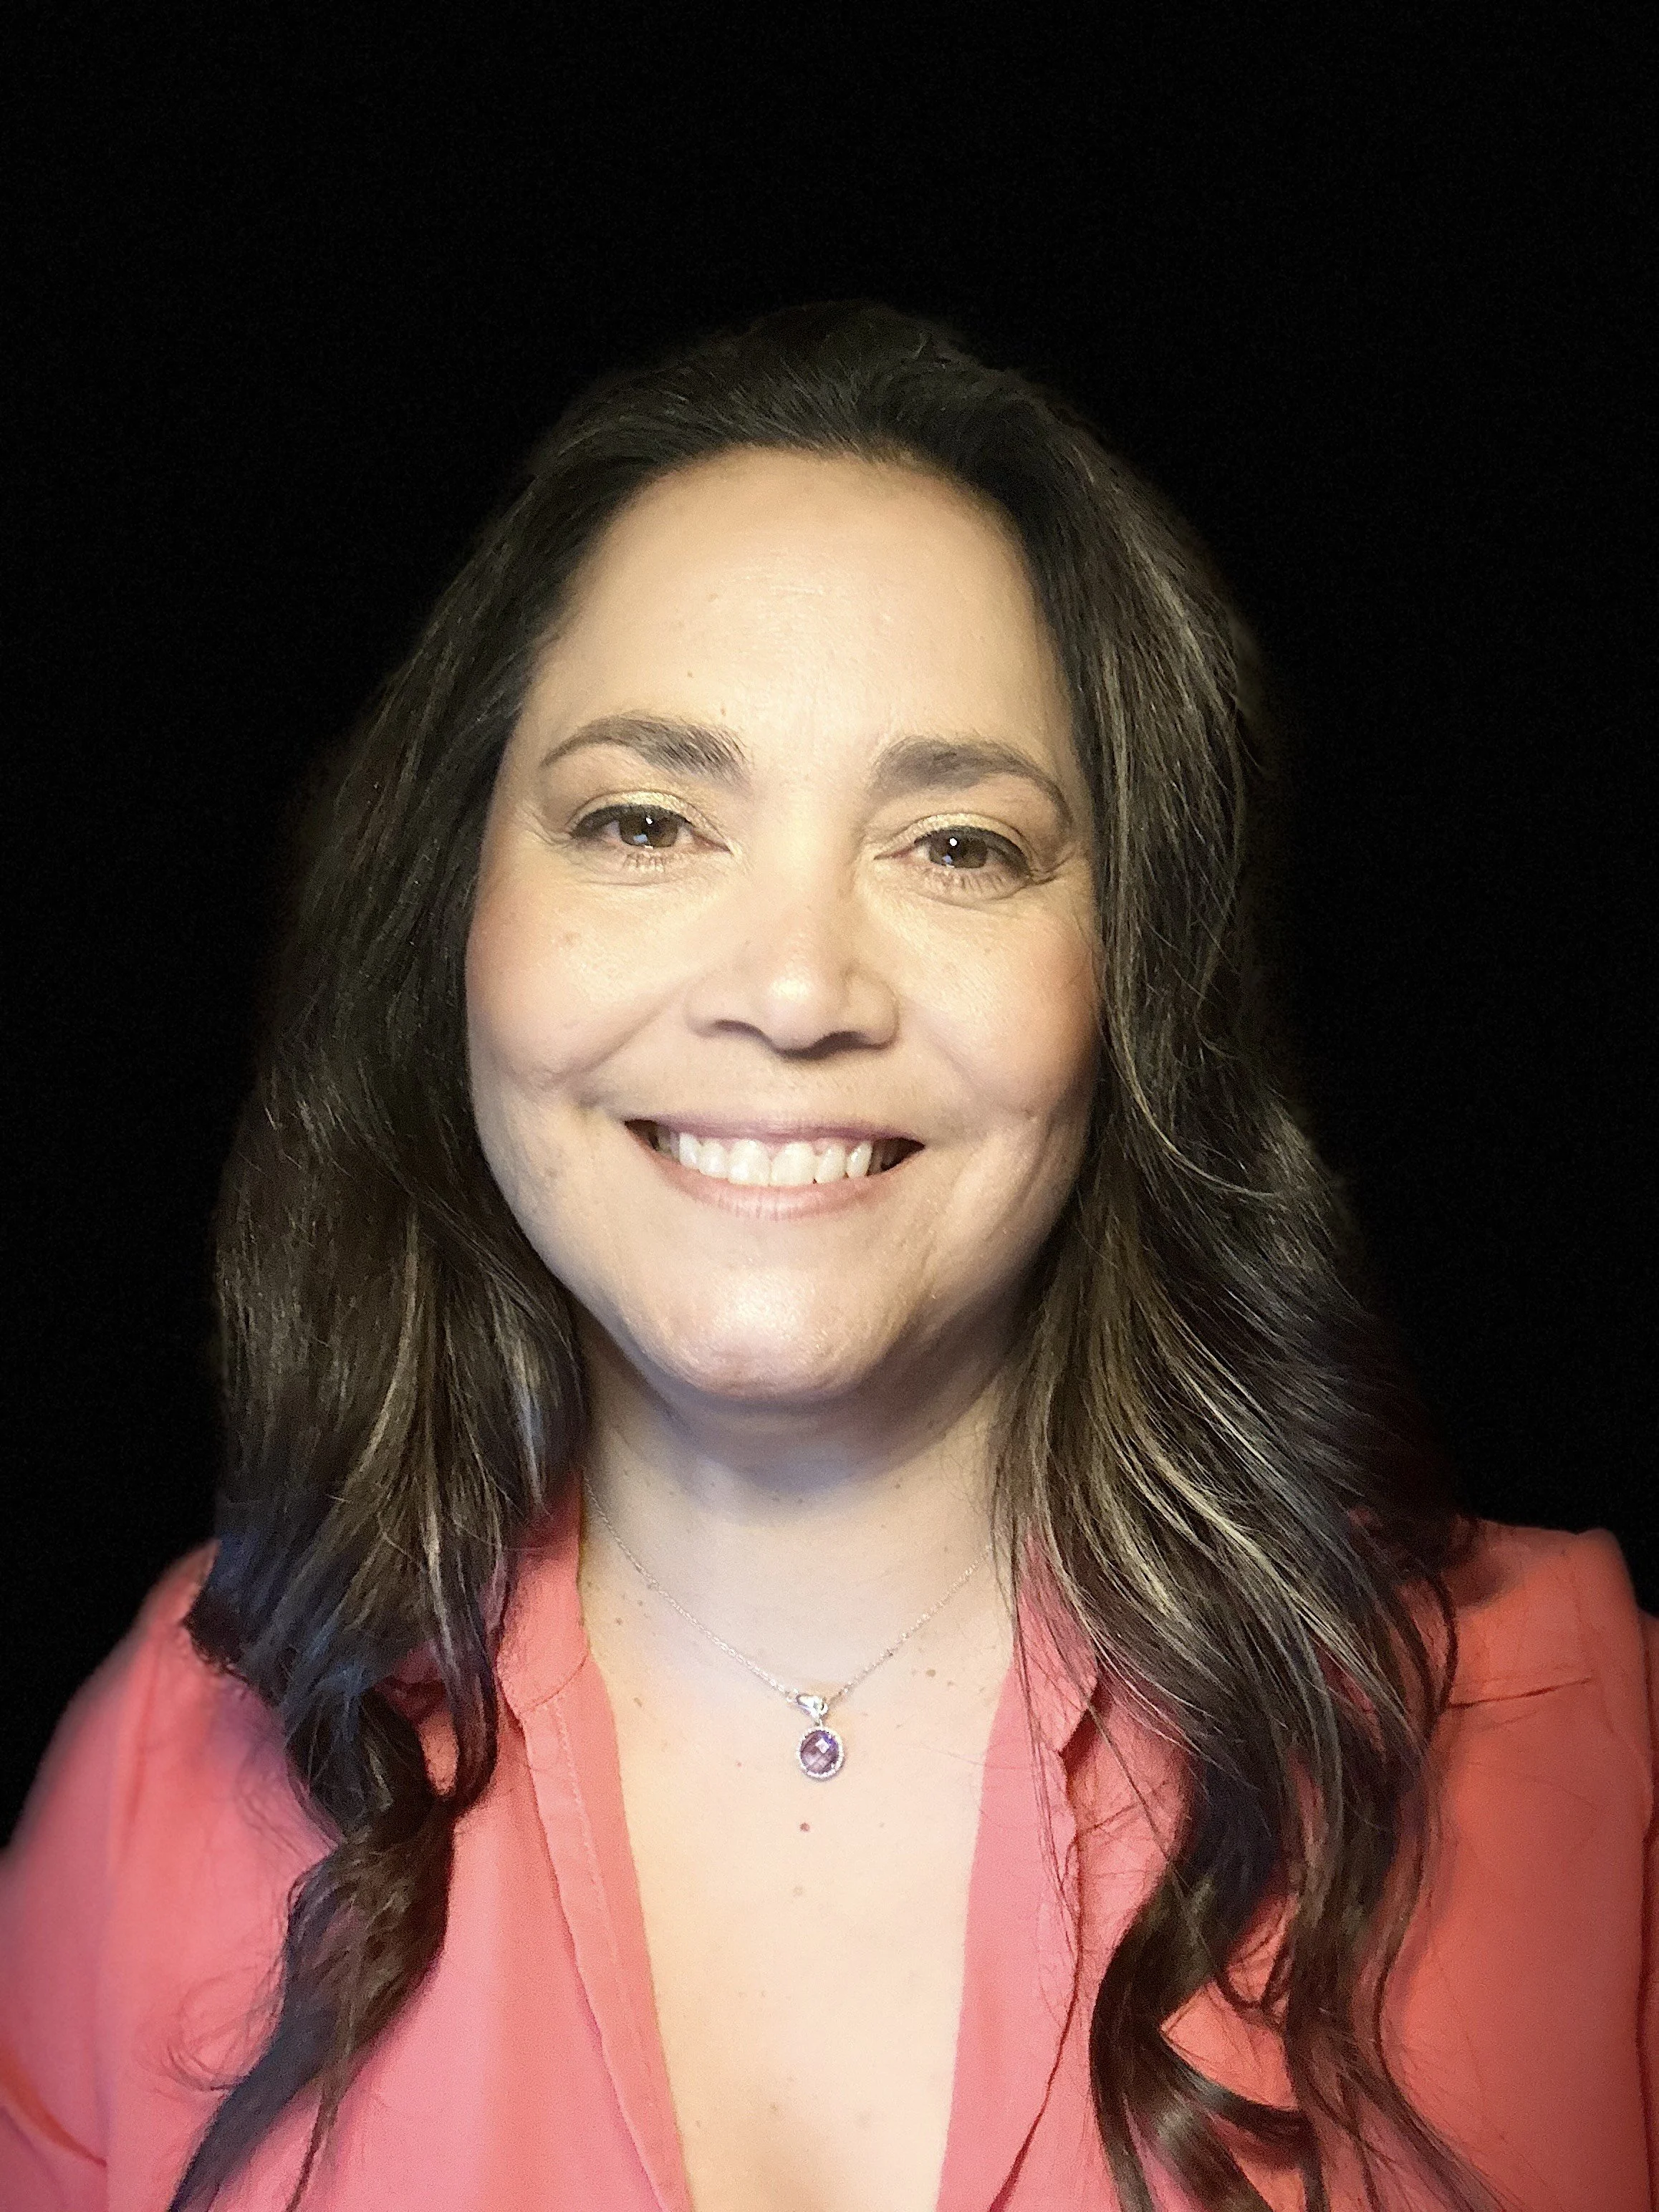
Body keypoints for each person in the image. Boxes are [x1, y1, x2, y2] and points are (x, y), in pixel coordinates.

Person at [1, 302, 1653, 2212]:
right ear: (453, 921)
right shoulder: (166, 1759)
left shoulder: (1559, 1749)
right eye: (643, 821)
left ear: (1129, 980)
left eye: (955, 846)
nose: (793, 990)